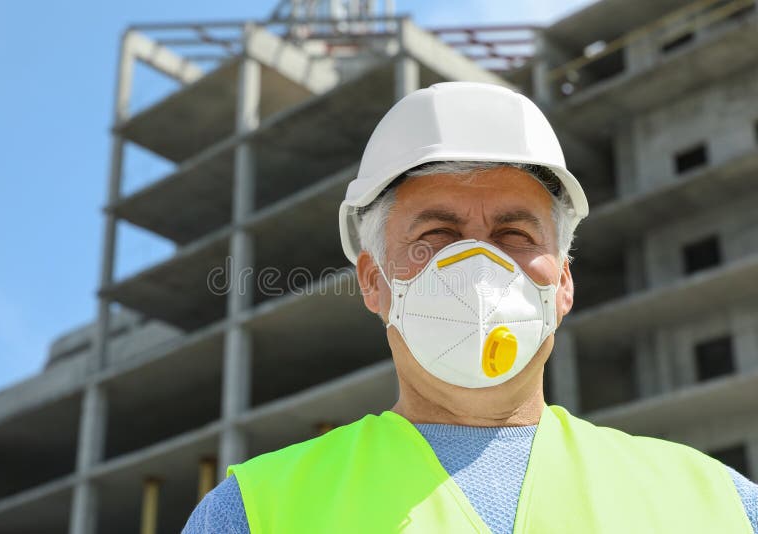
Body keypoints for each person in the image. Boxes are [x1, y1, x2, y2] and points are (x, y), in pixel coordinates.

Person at [184, 82, 758, 533]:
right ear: (373, 282)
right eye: (437, 236)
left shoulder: (724, 506)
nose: (480, 271)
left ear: (562, 283)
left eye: (514, 234)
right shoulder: (251, 516)